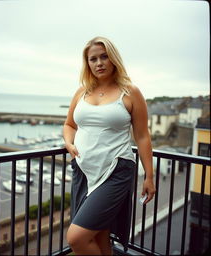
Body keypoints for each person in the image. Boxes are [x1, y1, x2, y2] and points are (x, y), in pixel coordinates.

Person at [63, 36, 156, 255]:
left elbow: (142, 136)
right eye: (93, 59)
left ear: (113, 58)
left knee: (76, 238)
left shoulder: (130, 92)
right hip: (84, 170)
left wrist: (149, 177)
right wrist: (68, 142)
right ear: (87, 64)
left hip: (115, 170)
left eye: (104, 57)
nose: (99, 63)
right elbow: (69, 124)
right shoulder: (81, 92)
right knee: (99, 235)